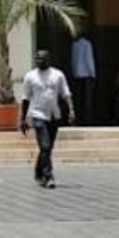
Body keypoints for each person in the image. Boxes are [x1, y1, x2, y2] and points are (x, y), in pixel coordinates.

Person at [20, 49, 74, 188]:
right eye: (37, 58)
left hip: (54, 115)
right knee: (45, 145)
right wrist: (23, 119)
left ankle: (38, 172)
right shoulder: (30, 76)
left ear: (49, 59)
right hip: (38, 115)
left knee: (47, 148)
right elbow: (25, 98)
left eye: (42, 58)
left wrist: (71, 110)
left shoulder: (58, 75)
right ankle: (48, 176)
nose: (39, 61)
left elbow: (66, 93)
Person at [70, 30, 96, 124]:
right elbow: (89, 59)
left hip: (77, 75)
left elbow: (73, 61)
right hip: (87, 75)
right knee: (87, 100)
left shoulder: (74, 45)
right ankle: (87, 120)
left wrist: (74, 72)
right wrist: (93, 73)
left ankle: (78, 119)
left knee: (78, 99)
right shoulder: (87, 44)